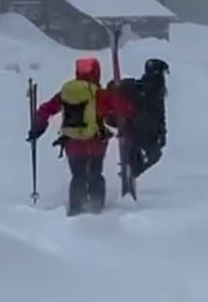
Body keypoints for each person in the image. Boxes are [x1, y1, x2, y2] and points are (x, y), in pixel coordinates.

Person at [28, 56, 130, 216]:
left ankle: (76, 210)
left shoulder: (67, 92)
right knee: (96, 173)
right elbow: (124, 109)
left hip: (72, 143)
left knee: (78, 175)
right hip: (96, 143)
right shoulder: (100, 94)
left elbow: (46, 109)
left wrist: (37, 128)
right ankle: (97, 210)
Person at [121, 58, 169, 180]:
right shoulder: (155, 84)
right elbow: (157, 109)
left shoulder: (154, 84)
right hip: (144, 124)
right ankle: (134, 169)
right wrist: (162, 130)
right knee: (153, 152)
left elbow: (159, 110)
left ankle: (133, 167)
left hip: (141, 123)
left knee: (148, 150)